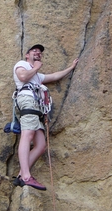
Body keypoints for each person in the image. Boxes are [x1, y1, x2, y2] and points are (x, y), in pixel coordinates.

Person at [13, 44, 79, 191]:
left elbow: (55, 76)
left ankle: (20, 175)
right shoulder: (22, 64)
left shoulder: (37, 76)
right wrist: (36, 67)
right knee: (27, 135)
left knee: (41, 145)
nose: (38, 53)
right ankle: (26, 176)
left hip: (36, 106)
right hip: (27, 100)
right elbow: (22, 76)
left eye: (40, 52)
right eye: (34, 51)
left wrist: (71, 67)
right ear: (27, 55)